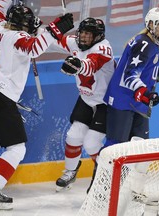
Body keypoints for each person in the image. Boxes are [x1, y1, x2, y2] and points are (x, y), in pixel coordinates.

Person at [0, 0, 74, 210]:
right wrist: (55, 27)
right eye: (29, 25)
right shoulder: (18, 37)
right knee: (17, 149)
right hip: (0, 96)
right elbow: (34, 48)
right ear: (22, 26)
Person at [102, 7, 159, 215]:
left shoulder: (149, 42)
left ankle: (135, 189)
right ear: (151, 25)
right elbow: (128, 75)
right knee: (115, 149)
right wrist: (145, 91)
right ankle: (102, 191)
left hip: (137, 103)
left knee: (142, 148)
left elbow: (136, 67)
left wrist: (151, 73)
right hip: (124, 102)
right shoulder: (145, 43)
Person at [46, 17, 115, 191]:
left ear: (98, 36)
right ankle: (70, 171)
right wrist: (37, 32)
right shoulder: (75, 43)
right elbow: (51, 41)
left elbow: (91, 64)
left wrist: (78, 65)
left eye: (88, 34)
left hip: (104, 103)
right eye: (82, 32)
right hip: (85, 99)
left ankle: (107, 175)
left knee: (91, 143)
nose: (83, 37)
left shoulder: (103, 48)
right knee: (73, 136)